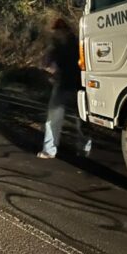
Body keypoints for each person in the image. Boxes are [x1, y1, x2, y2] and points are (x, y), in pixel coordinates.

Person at [37, 17, 92, 159]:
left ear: (66, 31)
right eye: (56, 31)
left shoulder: (79, 44)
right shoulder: (55, 47)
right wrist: (50, 69)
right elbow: (46, 64)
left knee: (82, 120)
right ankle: (49, 150)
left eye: (60, 31)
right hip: (62, 84)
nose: (57, 34)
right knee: (53, 118)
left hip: (79, 85)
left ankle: (83, 149)